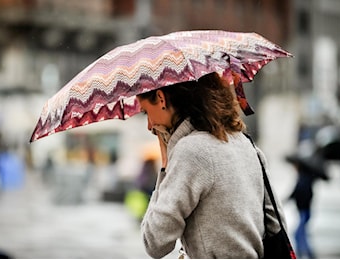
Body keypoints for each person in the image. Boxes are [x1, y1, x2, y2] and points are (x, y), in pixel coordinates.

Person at [136, 72, 288, 258]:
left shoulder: (190, 151)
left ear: (161, 98)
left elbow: (155, 242)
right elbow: (276, 223)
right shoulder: (246, 144)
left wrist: (165, 166)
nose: (149, 125)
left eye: (146, 112)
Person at [286, 146, 328, 259]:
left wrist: (291, 198)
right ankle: (304, 253)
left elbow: (301, 192)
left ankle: (306, 254)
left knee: (299, 233)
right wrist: (288, 199)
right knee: (300, 233)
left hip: (305, 209)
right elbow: (295, 192)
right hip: (303, 209)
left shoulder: (305, 179)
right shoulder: (303, 178)